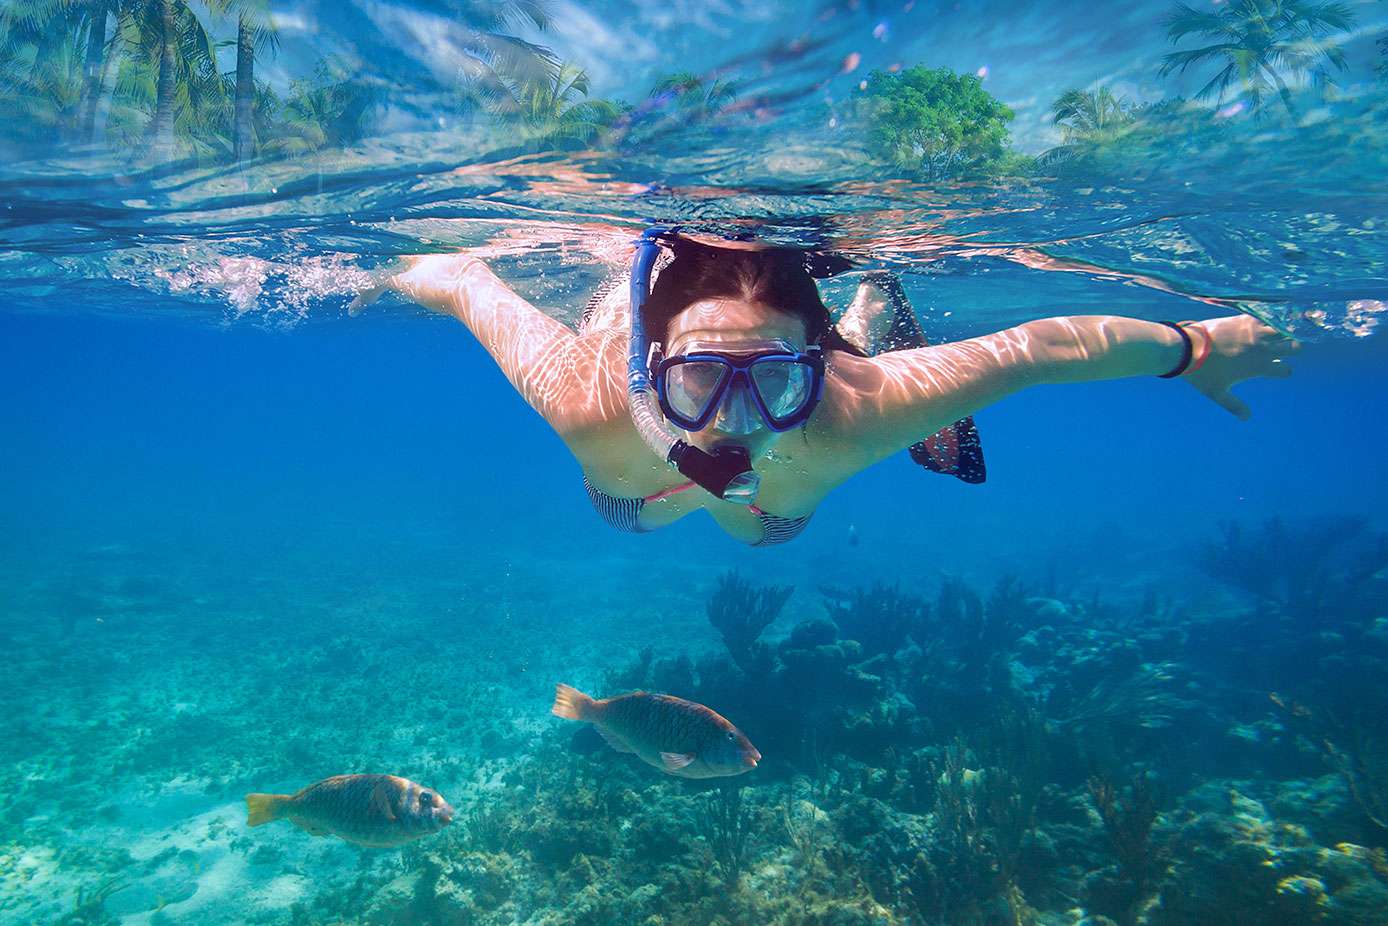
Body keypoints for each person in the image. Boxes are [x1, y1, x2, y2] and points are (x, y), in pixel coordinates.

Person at [350, 229, 1297, 546]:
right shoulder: (590, 400)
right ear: (651, 372)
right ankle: (840, 323)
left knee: (759, 529)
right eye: (699, 380)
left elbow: (1043, 347)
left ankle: (866, 315)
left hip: (777, 509)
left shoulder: (856, 405)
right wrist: (388, 269)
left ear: (816, 368)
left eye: (771, 380)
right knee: (648, 510)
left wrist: (1194, 346)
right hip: (634, 495)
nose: (732, 419)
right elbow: (470, 281)